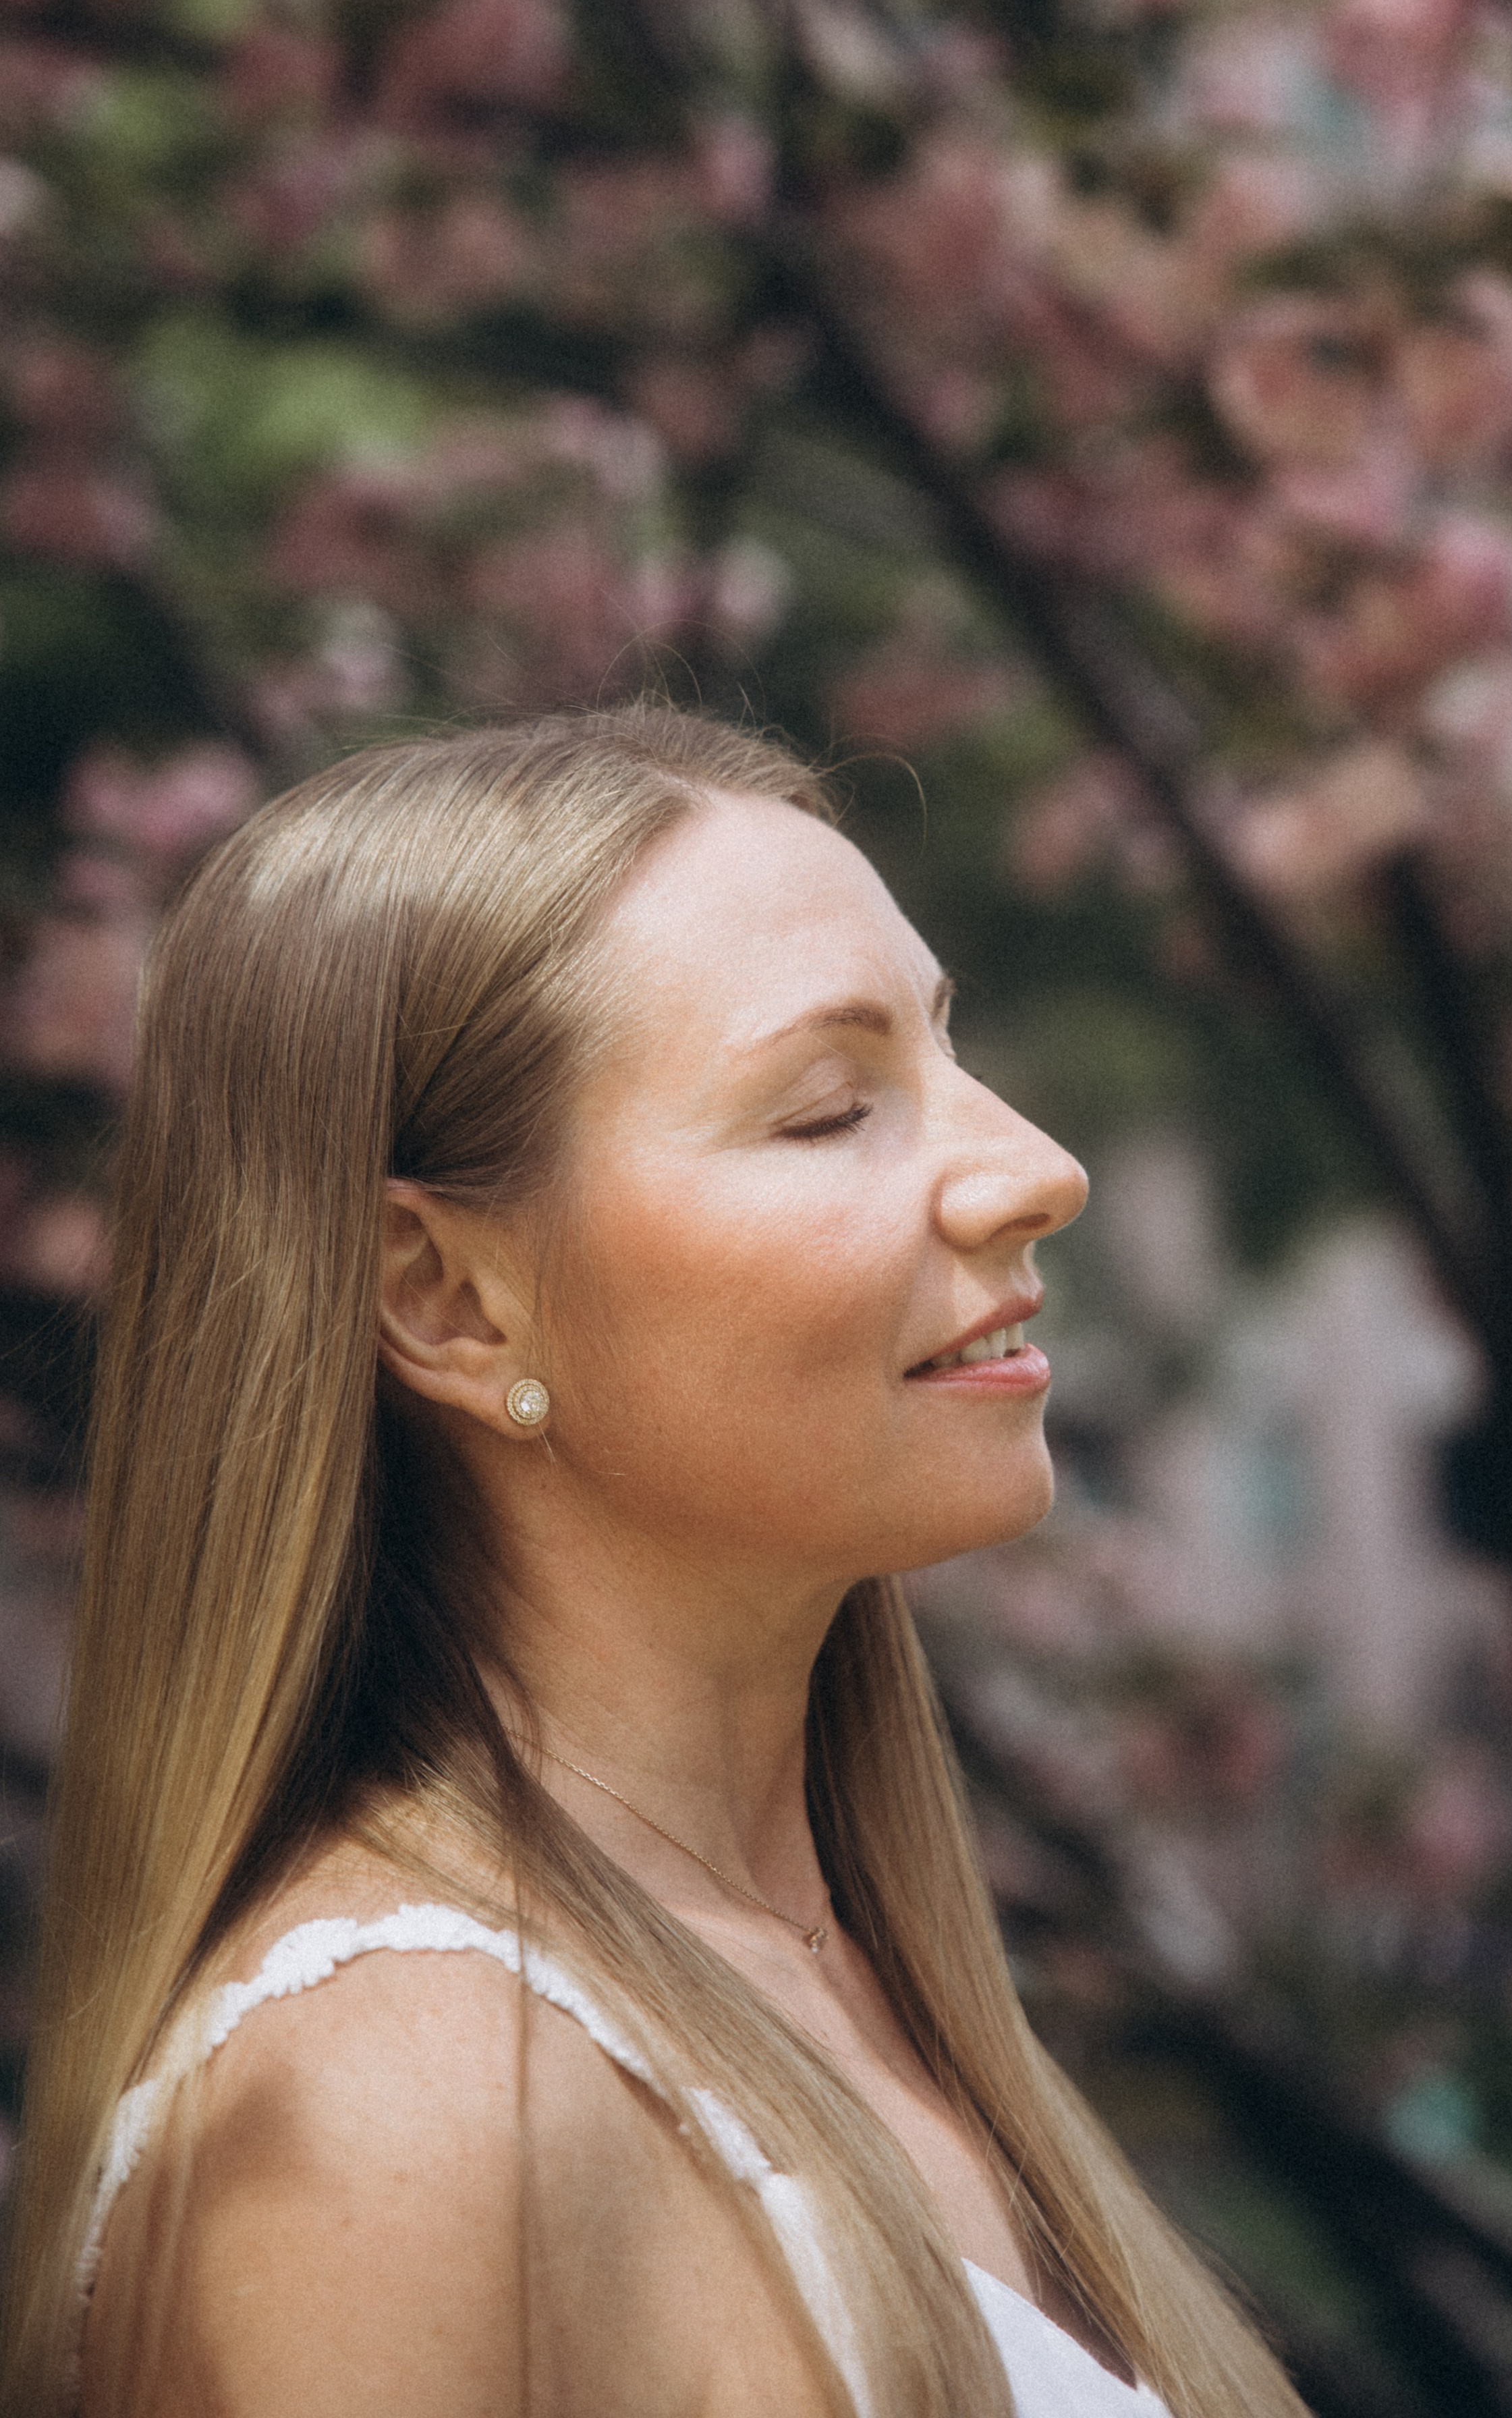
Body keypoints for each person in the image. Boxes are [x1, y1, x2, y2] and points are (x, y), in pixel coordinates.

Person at [1, 708, 1307, 2418]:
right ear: (444, 1299)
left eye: (944, 1047)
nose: (1033, 1171)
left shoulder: (844, 1974)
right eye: (831, 1110)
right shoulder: (409, 2114)